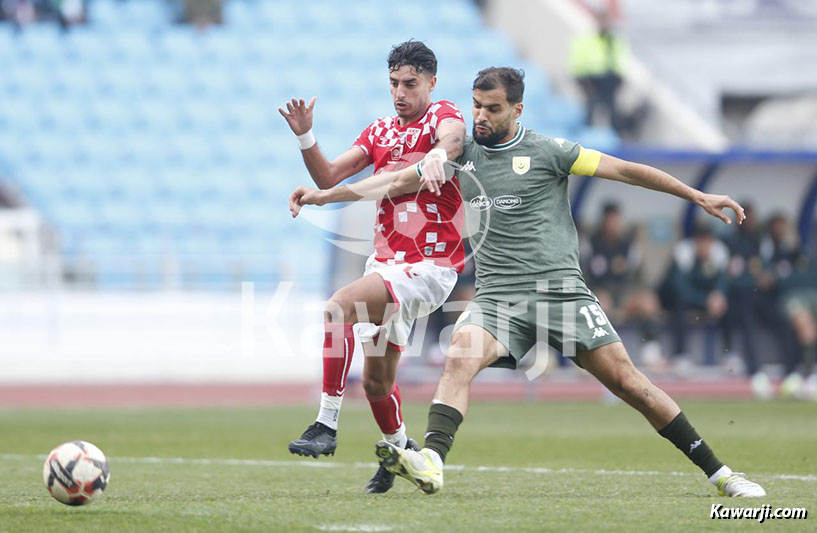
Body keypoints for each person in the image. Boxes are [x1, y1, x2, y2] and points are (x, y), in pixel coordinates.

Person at [290, 67, 765, 498]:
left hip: (560, 291)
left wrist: (695, 194)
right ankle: (431, 461)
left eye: (492, 109)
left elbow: (626, 171)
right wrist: (325, 195)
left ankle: (720, 473)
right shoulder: (460, 154)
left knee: (629, 383)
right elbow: (393, 181)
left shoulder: (550, 152)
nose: (481, 116)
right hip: (498, 297)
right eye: (477, 105)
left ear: (517, 110)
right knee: (458, 359)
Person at [279, 40, 467, 494]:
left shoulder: (444, 115)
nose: (400, 92)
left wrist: (441, 154)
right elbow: (327, 177)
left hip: (429, 264)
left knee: (337, 307)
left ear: (431, 82)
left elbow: (452, 139)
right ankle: (401, 454)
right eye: (393, 83)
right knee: (378, 382)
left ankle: (325, 425)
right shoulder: (380, 131)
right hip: (386, 263)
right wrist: (306, 136)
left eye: (410, 83)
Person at [581, 202, 662, 369]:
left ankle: (650, 350)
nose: (612, 223)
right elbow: (583, 275)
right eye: (608, 219)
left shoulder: (629, 245)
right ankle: (597, 353)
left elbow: (640, 277)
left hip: (625, 294)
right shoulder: (591, 244)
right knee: (600, 304)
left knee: (648, 301)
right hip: (600, 293)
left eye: (615, 219)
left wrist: (635, 295)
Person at [658, 225, 729, 366]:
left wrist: (718, 295)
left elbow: (723, 281)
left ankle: (730, 353)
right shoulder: (682, 254)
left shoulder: (719, 254)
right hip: (671, 298)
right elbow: (681, 290)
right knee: (679, 305)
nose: (705, 246)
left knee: (728, 304)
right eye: (702, 242)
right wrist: (706, 301)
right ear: (695, 242)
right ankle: (681, 354)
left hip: (703, 299)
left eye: (708, 242)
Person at [569, 11, 628, 132]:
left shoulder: (614, 41)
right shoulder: (586, 39)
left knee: (612, 110)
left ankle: (613, 135)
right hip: (590, 79)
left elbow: (619, 61)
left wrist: (619, 78)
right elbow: (578, 61)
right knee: (591, 108)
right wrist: (583, 79)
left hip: (608, 80)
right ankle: (588, 135)